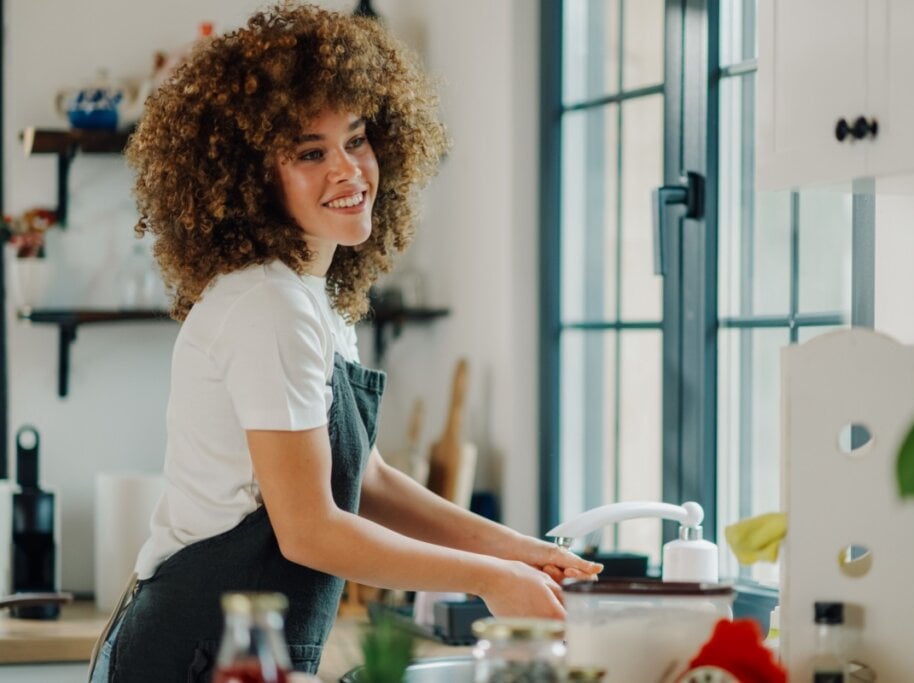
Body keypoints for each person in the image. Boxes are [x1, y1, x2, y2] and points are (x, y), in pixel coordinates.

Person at [88, 4, 601, 681]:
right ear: (249, 178)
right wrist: (491, 578)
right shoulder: (268, 305)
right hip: (197, 653)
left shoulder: (310, 299)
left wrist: (518, 552)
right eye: (310, 152)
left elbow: (372, 479)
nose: (349, 170)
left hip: (239, 649)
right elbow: (309, 530)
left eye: (356, 139)